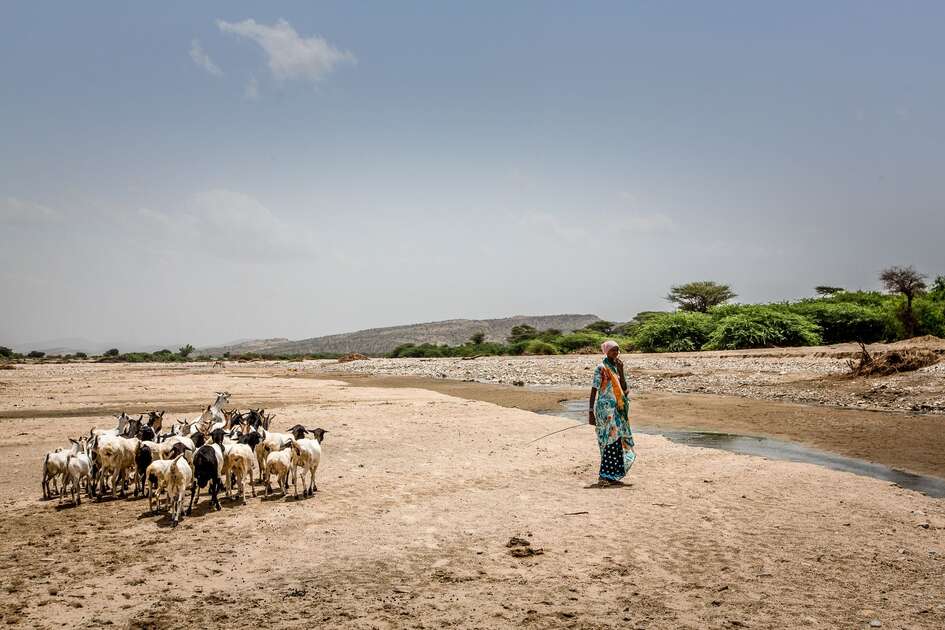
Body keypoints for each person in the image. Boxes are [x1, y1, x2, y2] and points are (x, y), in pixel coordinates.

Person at [588, 340, 636, 485]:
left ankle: (613, 475)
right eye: (613, 350)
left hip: (618, 409)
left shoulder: (616, 367)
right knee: (608, 440)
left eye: (617, 350)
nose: (616, 353)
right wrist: (591, 411)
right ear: (606, 351)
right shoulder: (601, 368)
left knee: (617, 440)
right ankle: (603, 476)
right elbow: (594, 390)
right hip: (605, 410)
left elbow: (625, 390)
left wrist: (621, 371)